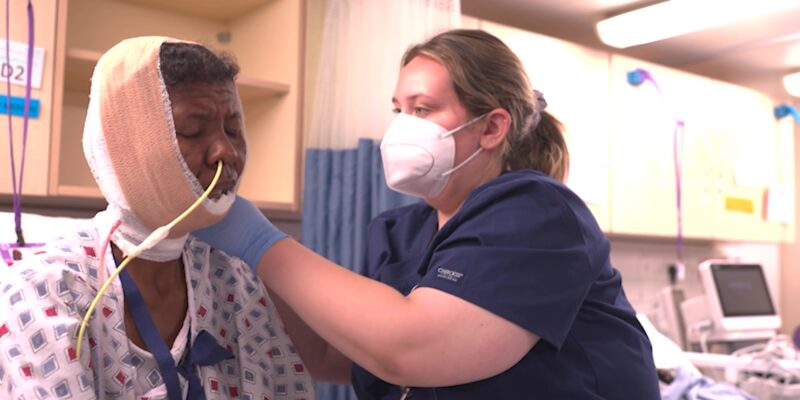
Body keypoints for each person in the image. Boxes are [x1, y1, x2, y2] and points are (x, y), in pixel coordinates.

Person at [196, 29, 661, 398]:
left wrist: (259, 241)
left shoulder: (538, 213)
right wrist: (252, 267)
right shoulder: (399, 232)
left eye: (423, 109)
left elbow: (410, 349)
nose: (401, 127)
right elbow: (333, 355)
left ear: (492, 127)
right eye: (398, 109)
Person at [0, 37, 313, 399]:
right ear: (126, 147)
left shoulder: (238, 280)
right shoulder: (42, 292)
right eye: (193, 131)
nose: (226, 150)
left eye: (232, 128)